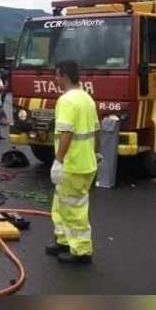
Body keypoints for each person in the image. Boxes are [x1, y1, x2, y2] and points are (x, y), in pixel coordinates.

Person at [45, 60, 100, 265]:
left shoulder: (67, 100)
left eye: (56, 75)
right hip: (86, 163)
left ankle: (81, 251)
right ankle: (63, 240)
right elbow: (97, 129)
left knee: (74, 209)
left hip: (73, 165)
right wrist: (97, 152)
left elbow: (66, 133)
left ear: (64, 77)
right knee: (61, 203)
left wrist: (58, 161)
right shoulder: (87, 98)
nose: (55, 79)